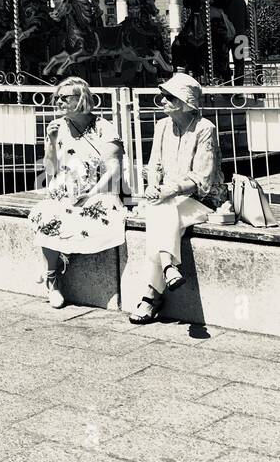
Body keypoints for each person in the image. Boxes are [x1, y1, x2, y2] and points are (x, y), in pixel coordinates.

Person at [128, 72, 226, 325]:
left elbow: (203, 178)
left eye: (167, 97)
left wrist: (168, 191)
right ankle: (168, 268)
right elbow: (154, 166)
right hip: (168, 200)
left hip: (203, 201)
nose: (161, 101)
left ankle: (150, 296)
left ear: (184, 102)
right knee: (163, 209)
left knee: (161, 210)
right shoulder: (161, 126)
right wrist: (152, 187)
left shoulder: (205, 129)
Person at [28, 77, 126, 309]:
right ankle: (53, 281)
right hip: (66, 190)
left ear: (81, 99)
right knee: (48, 212)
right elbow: (50, 169)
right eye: (57, 98)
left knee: (79, 215)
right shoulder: (57, 127)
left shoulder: (103, 126)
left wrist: (91, 193)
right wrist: (51, 143)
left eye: (65, 97)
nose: (59, 102)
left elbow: (114, 169)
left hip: (100, 190)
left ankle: (52, 267)